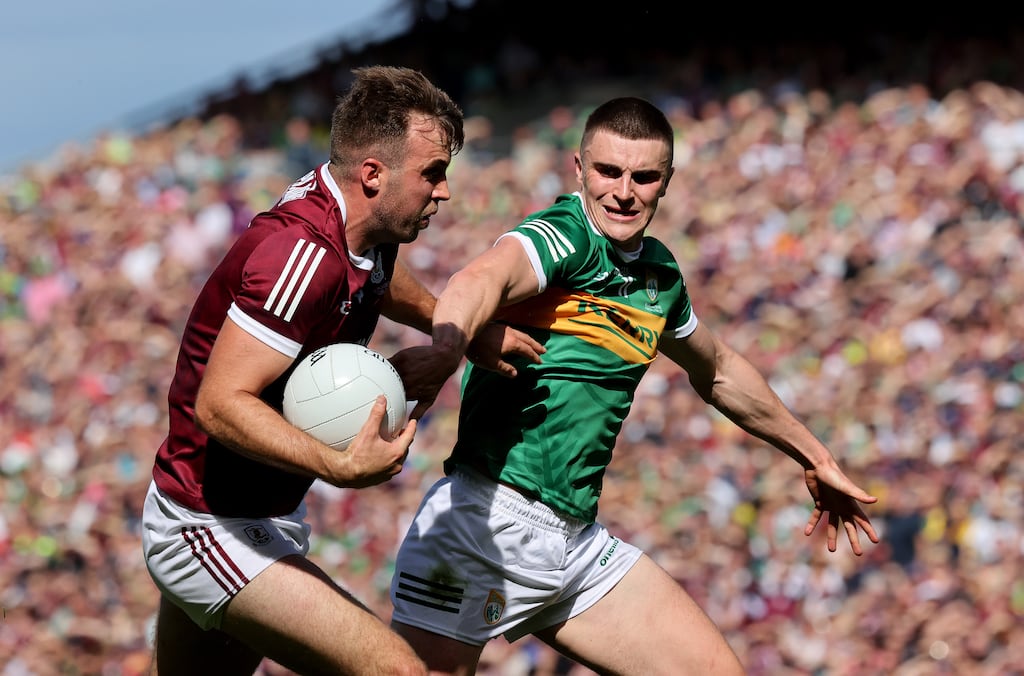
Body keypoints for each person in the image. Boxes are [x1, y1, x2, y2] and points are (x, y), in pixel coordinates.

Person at [388, 96, 880, 674]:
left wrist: (815, 455)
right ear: (578, 169)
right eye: (608, 171)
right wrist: (449, 347)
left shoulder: (659, 276)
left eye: (644, 176)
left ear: (666, 181)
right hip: (481, 527)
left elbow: (718, 369)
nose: (624, 191)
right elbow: (481, 276)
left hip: (573, 544)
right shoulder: (563, 235)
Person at [141, 65, 542, 675]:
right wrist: (340, 465)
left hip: (258, 515)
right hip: (207, 522)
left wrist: (455, 331)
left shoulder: (360, 222)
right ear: (373, 174)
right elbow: (219, 403)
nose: (445, 192)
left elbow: (376, 272)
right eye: (432, 174)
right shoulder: (300, 256)